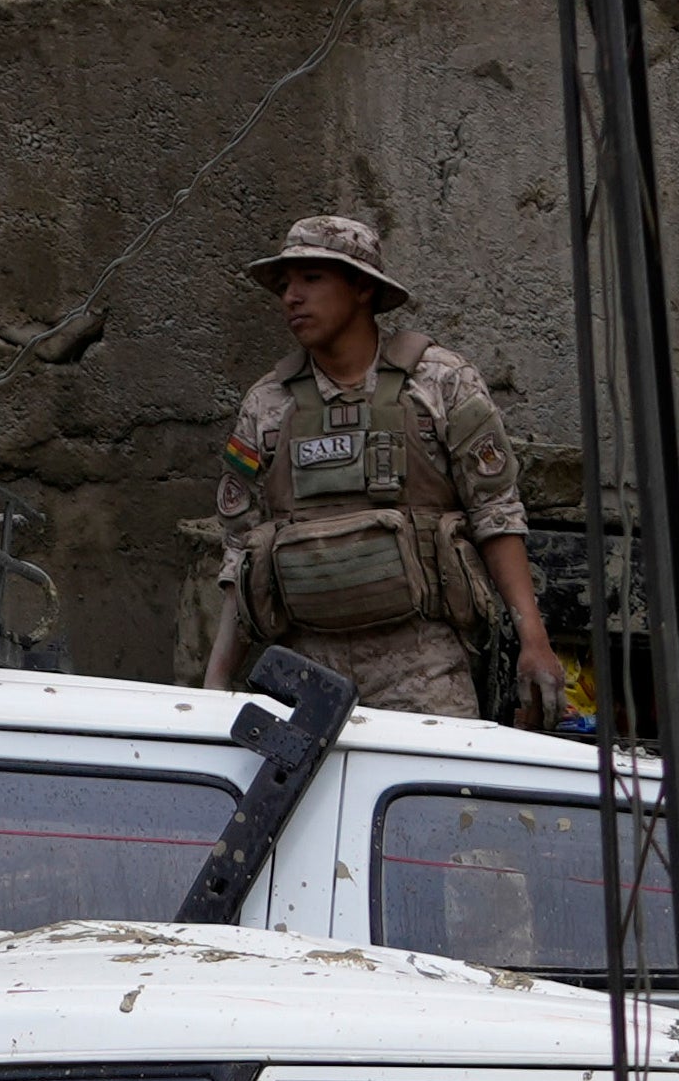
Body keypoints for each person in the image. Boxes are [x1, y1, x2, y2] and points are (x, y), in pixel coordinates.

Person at [200, 211, 556, 727]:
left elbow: (496, 513)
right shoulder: (267, 403)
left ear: (363, 288)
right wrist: (216, 686)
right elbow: (241, 551)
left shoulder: (440, 383)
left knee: (435, 801)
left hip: (422, 665)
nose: (291, 296)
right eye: (284, 284)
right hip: (303, 666)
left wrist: (534, 641)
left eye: (312, 278)